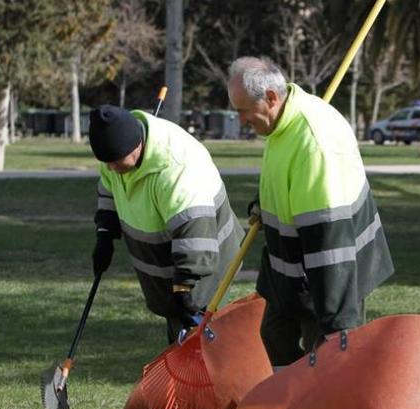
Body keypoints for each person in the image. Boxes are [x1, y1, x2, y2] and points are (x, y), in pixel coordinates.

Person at [226, 56, 394, 367]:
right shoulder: (282, 124)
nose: (241, 121)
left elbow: (330, 241)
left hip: (330, 273)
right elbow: (289, 178)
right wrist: (266, 199)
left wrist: (337, 322)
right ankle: (292, 407)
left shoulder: (314, 144)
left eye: (243, 111)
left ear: (272, 98)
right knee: (275, 335)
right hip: (290, 266)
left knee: (329, 355)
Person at [88, 104, 244, 343]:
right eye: (107, 163)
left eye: (116, 162)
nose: (111, 168)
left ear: (137, 145)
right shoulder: (115, 153)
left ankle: (226, 378)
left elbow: (195, 234)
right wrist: (105, 233)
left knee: (205, 336)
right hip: (169, 260)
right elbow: (108, 188)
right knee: (179, 332)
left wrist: (184, 286)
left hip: (207, 260)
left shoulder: (178, 170)